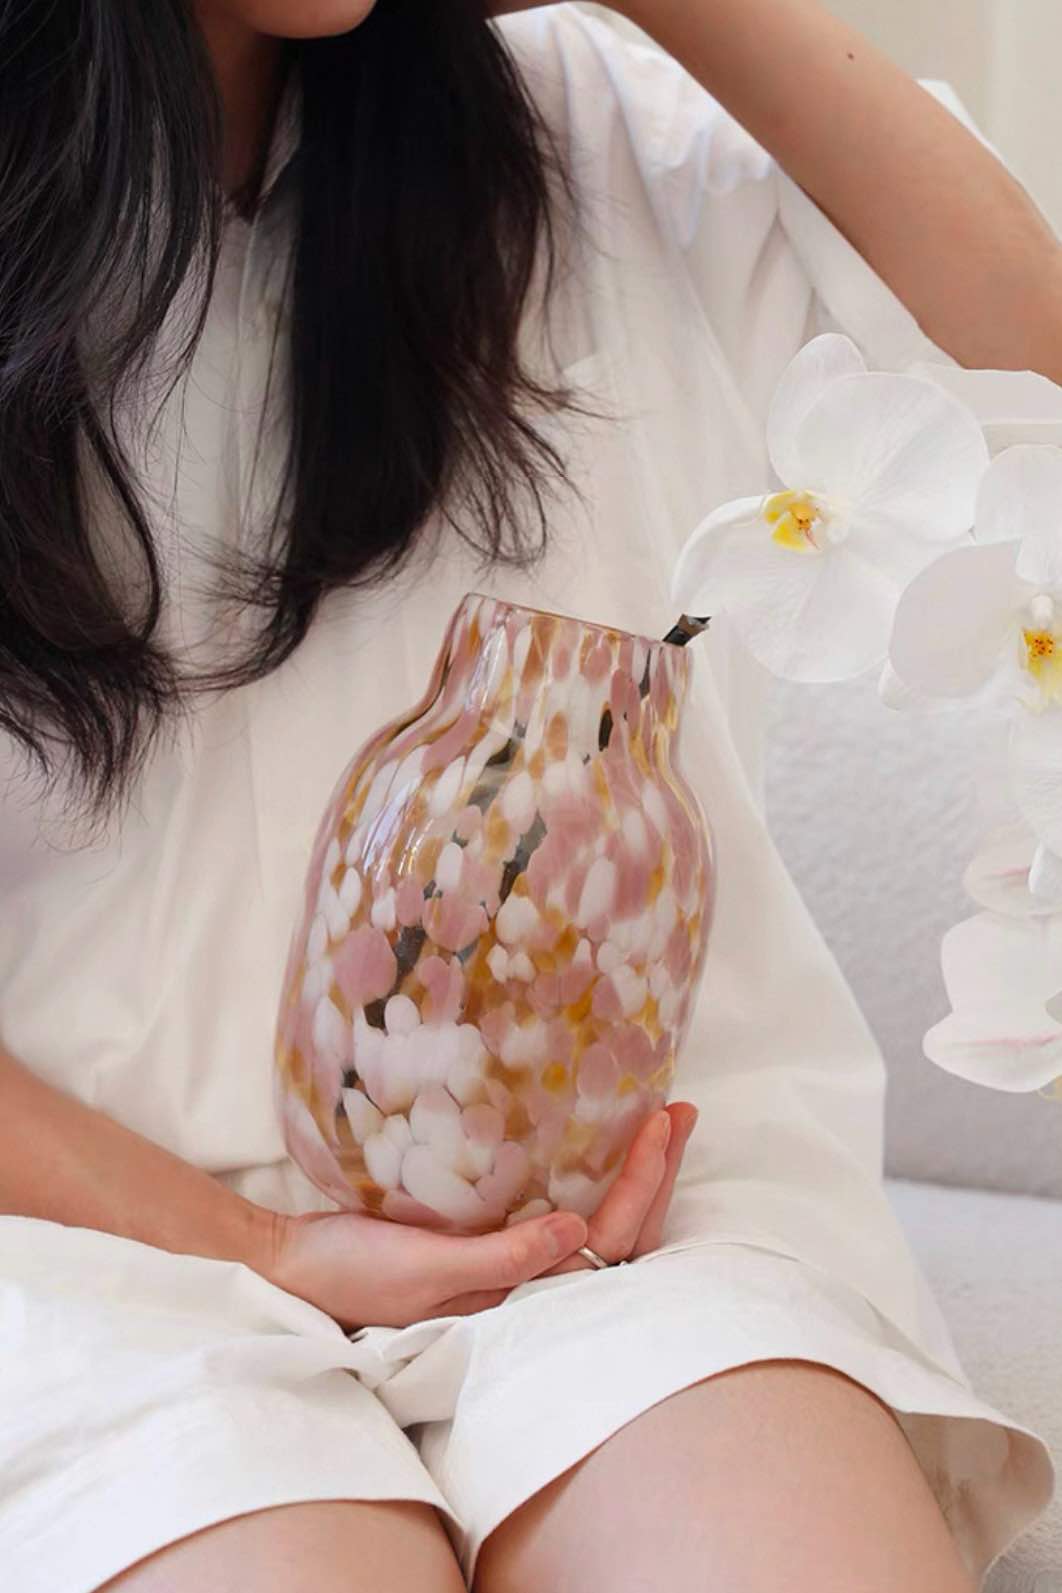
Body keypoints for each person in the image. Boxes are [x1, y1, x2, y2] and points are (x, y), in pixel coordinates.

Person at [0, 2, 1056, 1590]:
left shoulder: (607, 131)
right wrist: (264, 1248)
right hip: (82, 1261)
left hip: (625, 1242)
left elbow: (1032, 373)